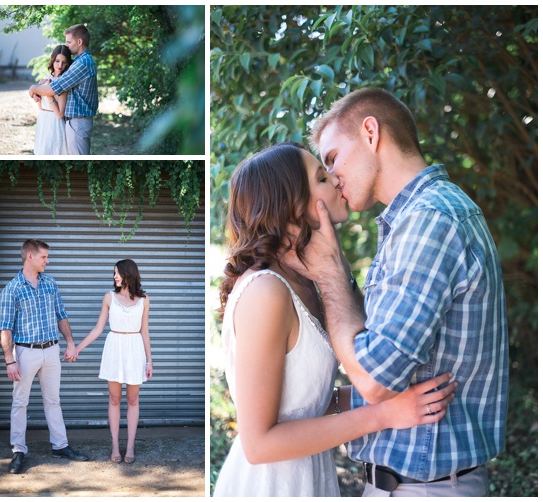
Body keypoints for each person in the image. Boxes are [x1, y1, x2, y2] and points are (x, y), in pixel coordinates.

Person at [283, 87, 508, 496]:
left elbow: (375, 380)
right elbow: (383, 356)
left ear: (371, 133)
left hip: (426, 489)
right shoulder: (417, 219)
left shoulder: (429, 221)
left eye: (332, 158)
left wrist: (330, 275)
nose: (332, 176)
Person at [213, 143, 458, 497]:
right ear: (291, 204)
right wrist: (385, 414)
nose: (336, 179)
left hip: (308, 472)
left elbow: (298, 398)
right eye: (321, 177)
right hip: (270, 485)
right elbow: (259, 444)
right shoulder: (266, 292)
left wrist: (338, 269)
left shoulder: (306, 280)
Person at [0, 239, 89, 475]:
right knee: (20, 403)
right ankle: (18, 451)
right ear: (30, 256)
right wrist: (10, 360)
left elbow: (61, 315)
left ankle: (60, 446)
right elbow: (6, 328)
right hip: (25, 352)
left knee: (53, 400)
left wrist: (70, 343)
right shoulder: (12, 289)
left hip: (51, 350)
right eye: (44, 257)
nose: (47, 261)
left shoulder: (50, 283)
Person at [75, 259, 153, 464]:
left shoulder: (144, 300)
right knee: (114, 399)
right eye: (114, 273)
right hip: (114, 347)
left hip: (135, 348)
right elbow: (98, 328)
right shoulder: (109, 297)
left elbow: (145, 331)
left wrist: (149, 361)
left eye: (118, 273)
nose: (114, 277)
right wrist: (77, 348)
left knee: (133, 400)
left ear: (129, 274)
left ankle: (130, 446)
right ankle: (115, 446)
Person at [29, 24, 98, 155]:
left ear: (79, 42)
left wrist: (33, 88)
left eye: (69, 42)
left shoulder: (83, 63)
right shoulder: (79, 61)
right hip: (74, 122)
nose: (66, 45)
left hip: (78, 122)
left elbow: (54, 88)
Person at [33, 45, 72, 155]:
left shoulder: (63, 82)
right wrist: (37, 93)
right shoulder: (47, 79)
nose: (60, 65)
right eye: (57, 61)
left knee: (53, 152)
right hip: (43, 118)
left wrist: (48, 93)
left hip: (55, 122)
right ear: (53, 60)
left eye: (64, 62)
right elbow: (41, 107)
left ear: (68, 63)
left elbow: (60, 114)